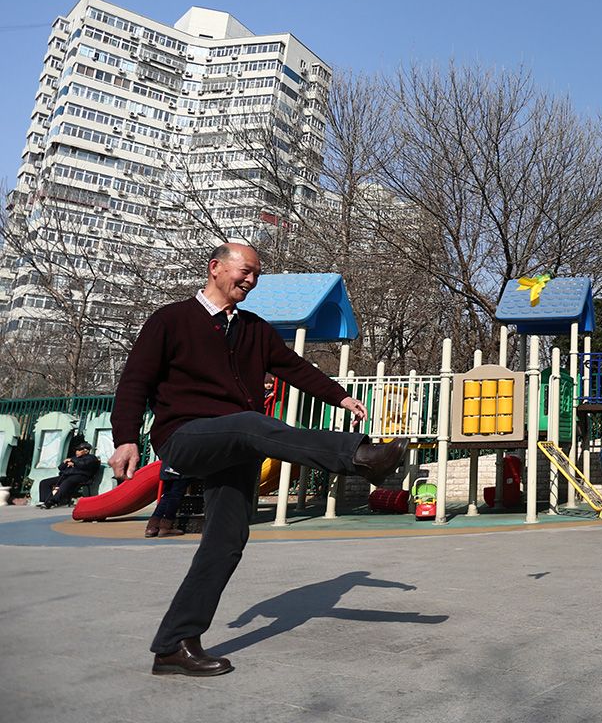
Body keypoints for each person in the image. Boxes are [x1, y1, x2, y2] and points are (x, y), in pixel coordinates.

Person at [109, 242, 404, 677]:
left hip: (237, 445)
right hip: (186, 436)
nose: (250, 280)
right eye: (244, 271)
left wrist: (340, 396)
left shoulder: (254, 329)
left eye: (256, 276)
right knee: (250, 422)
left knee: (227, 542)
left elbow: (294, 368)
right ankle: (358, 457)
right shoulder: (170, 320)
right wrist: (126, 438)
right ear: (215, 268)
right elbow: (135, 379)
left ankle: (174, 645)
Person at [38, 440, 100, 508]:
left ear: (86, 451)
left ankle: (52, 501)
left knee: (66, 482)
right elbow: (60, 468)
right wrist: (65, 463)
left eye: (79, 450)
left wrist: (73, 462)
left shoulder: (91, 458)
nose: (77, 452)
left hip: (81, 476)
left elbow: (83, 464)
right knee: (44, 482)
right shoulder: (74, 458)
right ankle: (45, 501)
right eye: (76, 450)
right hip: (67, 476)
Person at [144, 465, 188, 538]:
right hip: (181, 468)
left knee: (167, 495)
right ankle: (165, 526)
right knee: (175, 495)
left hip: (167, 467)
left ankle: (152, 526)